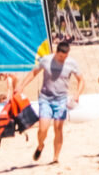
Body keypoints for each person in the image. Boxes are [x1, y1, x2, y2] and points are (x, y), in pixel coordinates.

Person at [21, 36, 86, 165]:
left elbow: (81, 80)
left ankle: (55, 158)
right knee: (43, 128)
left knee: (58, 128)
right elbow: (33, 73)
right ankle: (40, 145)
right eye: (60, 57)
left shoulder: (71, 63)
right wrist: (21, 86)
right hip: (45, 98)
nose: (62, 59)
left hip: (61, 99)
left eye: (65, 57)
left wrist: (77, 94)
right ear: (56, 52)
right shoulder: (46, 60)